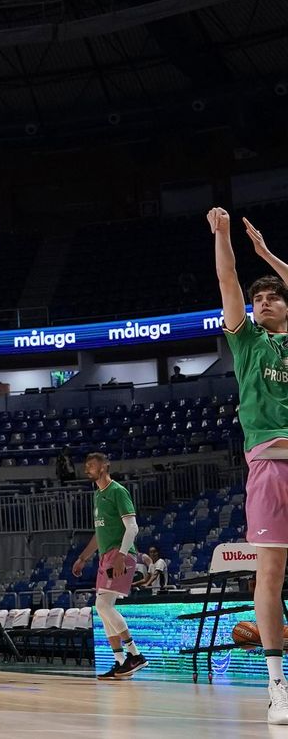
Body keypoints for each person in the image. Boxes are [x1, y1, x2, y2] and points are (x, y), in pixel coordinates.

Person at [212, 208, 288, 722]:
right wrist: (223, 236)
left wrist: (267, 254)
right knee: (271, 572)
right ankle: (277, 683)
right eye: (258, 298)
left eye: (271, 296)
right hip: (270, 466)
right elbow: (227, 279)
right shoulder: (246, 340)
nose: (262, 302)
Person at [70, 452, 148, 680]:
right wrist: (83, 557)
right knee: (102, 610)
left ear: (105, 466)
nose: (87, 469)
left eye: (91, 465)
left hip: (120, 554)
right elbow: (99, 534)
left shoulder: (117, 491)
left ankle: (135, 654)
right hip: (107, 555)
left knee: (103, 606)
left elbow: (132, 528)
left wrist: (122, 555)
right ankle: (120, 661)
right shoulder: (97, 496)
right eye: (86, 465)